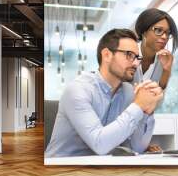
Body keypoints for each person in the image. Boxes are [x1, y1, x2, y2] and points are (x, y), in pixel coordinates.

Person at [45, 29, 164, 157]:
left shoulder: (129, 92)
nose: (135, 63)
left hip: (100, 170)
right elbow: (100, 144)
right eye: (129, 55)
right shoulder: (78, 89)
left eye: (137, 57)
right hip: (62, 169)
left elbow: (137, 148)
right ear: (107, 55)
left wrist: (147, 110)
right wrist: (139, 106)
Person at [133, 8, 178, 90]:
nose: (165, 37)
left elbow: (160, 95)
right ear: (144, 31)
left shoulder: (165, 61)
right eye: (158, 30)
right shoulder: (128, 53)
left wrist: (166, 71)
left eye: (168, 33)